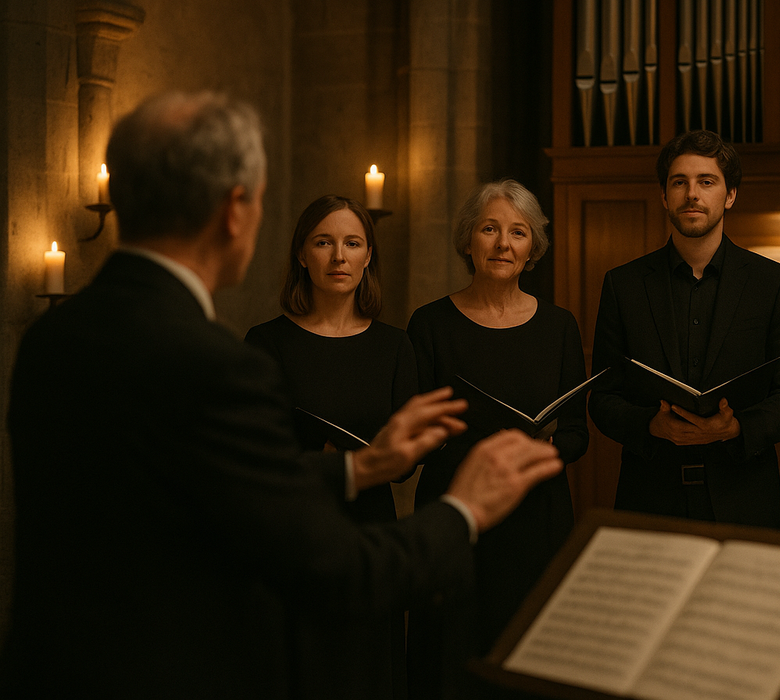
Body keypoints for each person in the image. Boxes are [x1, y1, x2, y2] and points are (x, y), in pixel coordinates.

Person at [2, 91, 563, 699]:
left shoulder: (49, 340)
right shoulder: (217, 365)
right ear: (234, 211)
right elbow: (330, 563)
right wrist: (465, 510)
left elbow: (199, 486)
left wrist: (359, 468)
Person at [406, 179, 589, 698]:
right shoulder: (430, 324)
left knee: (529, 657)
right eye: (490, 229)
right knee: (451, 655)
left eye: (518, 232)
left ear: (533, 248)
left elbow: (576, 431)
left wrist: (543, 452)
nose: (503, 244)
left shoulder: (558, 326)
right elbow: (417, 427)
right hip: (455, 510)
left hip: (536, 514)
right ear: (468, 240)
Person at [588, 129, 780, 528]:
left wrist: (738, 427)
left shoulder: (773, 283)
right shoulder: (623, 285)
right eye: (680, 182)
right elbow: (603, 398)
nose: (692, 194)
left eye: (706, 182)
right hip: (650, 500)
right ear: (664, 196)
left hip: (744, 499)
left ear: (729, 195)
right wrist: (650, 425)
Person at [245, 194, 417, 699]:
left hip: (369, 532)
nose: (338, 256)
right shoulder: (266, 343)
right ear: (302, 255)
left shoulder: (394, 346)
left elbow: (407, 462)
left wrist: (388, 457)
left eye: (352, 243)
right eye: (323, 242)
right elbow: (251, 453)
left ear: (367, 258)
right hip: (293, 534)